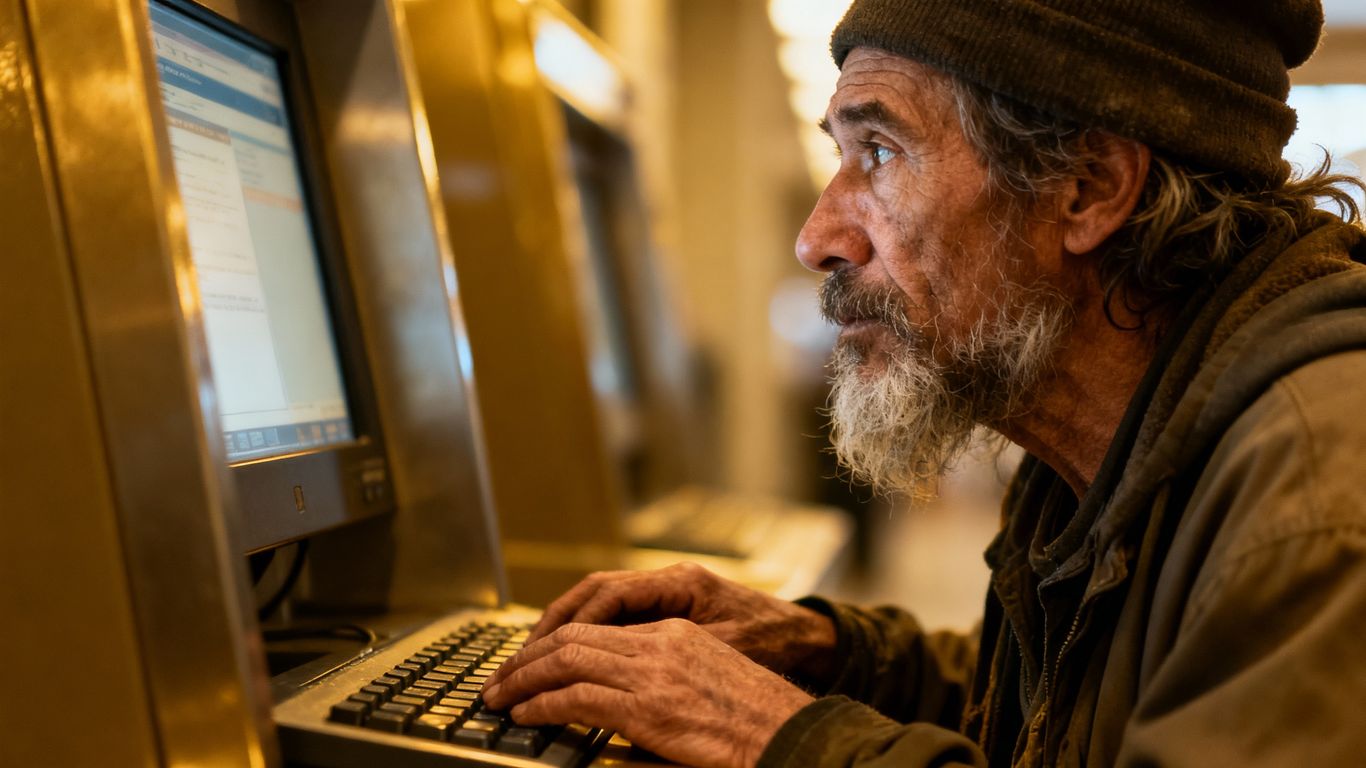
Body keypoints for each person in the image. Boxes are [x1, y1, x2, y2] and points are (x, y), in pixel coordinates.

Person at [484, 0, 1366, 765]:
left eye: (881, 151)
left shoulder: (1315, 501)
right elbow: (1081, 723)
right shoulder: (1108, 445)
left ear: (1087, 188)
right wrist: (831, 653)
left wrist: (777, 736)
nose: (819, 237)